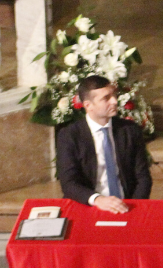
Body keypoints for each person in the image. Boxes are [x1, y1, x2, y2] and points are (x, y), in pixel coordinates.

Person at [56, 75, 152, 213]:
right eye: (106, 98)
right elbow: (69, 182)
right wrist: (97, 200)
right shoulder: (69, 135)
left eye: (113, 95)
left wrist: (133, 206)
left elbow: (142, 177)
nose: (114, 101)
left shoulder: (130, 130)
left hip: (126, 205)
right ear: (88, 106)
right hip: (89, 205)